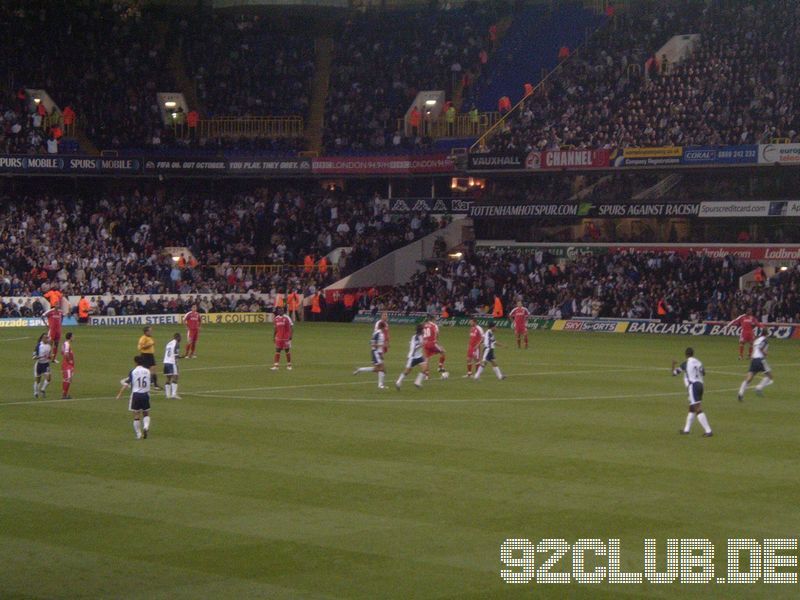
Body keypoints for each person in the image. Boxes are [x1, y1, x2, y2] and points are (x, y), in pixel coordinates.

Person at [672, 347, 713, 436]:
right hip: (700, 385)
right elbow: (703, 372)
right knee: (691, 408)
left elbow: (674, 373)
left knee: (697, 408)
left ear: (686, 355)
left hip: (693, 386)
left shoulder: (686, 363)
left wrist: (673, 364)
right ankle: (686, 430)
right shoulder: (698, 362)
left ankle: (708, 431)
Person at [118, 356, 152, 440]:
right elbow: (149, 382)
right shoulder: (147, 371)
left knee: (136, 414)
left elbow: (126, 384)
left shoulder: (133, 371)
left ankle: (138, 434)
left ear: (136, 362)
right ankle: (146, 427)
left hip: (136, 394)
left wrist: (119, 394)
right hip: (145, 394)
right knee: (146, 413)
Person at [738, 332, 773, 401]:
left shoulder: (757, 340)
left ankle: (740, 393)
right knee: (770, 376)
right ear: (766, 334)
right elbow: (761, 348)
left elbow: (755, 349)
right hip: (760, 360)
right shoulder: (765, 340)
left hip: (754, 359)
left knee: (749, 378)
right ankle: (759, 388)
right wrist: (765, 353)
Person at [353, 321, 387, 389]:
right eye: (384, 327)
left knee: (379, 369)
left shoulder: (381, 333)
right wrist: (381, 345)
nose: (385, 329)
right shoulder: (377, 333)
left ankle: (360, 370)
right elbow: (372, 344)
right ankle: (380, 385)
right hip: (375, 352)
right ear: (382, 327)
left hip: (378, 352)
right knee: (381, 369)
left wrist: (381, 352)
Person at [395, 324, 427, 389]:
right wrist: (422, 344)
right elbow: (415, 347)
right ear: (421, 330)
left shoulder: (420, 336)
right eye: (423, 329)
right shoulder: (416, 337)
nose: (424, 330)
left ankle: (417, 382)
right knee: (407, 371)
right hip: (412, 357)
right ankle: (398, 382)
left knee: (424, 369)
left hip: (419, 356)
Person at [32, 332, 52, 398]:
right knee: (38, 380)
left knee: (49, 378)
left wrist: (49, 357)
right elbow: (33, 357)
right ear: (42, 338)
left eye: (47, 337)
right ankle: (35, 392)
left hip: (46, 364)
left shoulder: (49, 345)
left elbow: (49, 355)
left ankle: (43, 389)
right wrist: (40, 357)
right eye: (45, 338)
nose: (47, 339)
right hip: (39, 364)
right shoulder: (39, 346)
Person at [163, 333, 181, 399]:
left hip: (166, 362)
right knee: (175, 377)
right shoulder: (176, 344)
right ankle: (174, 394)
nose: (181, 339)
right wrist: (181, 357)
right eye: (180, 337)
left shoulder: (169, 343)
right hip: (172, 362)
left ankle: (167, 395)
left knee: (168, 378)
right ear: (178, 337)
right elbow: (176, 355)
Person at [61, 332, 75, 399]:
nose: (74, 337)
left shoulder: (65, 344)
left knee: (67, 379)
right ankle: (64, 395)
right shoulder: (67, 344)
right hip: (67, 365)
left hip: (66, 364)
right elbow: (66, 354)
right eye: (73, 336)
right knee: (68, 379)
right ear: (70, 337)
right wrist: (70, 361)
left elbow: (62, 353)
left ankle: (65, 394)